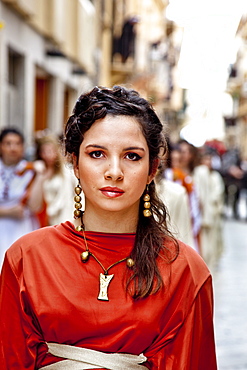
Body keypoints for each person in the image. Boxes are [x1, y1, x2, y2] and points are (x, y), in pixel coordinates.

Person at [0, 86, 217, 369]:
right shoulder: (26, 258)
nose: (114, 172)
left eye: (132, 156)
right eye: (97, 153)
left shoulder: (186, 271)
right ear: (75, 163)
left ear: (152, 169)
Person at [0, 127, 39, 268]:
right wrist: (7, 212)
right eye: (8, 143)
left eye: (17, 143)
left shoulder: (30, 170)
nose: (13, 148)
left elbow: (36, 205)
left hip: (21, 226)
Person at [29, 134, 78, 226]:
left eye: (51, 151)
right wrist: (40, 176)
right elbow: (33, 206)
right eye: (44, 152)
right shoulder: (38, 172)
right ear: (39, 153)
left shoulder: (67, 172)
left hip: (66, 216)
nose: (48, 155)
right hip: (44, 219)